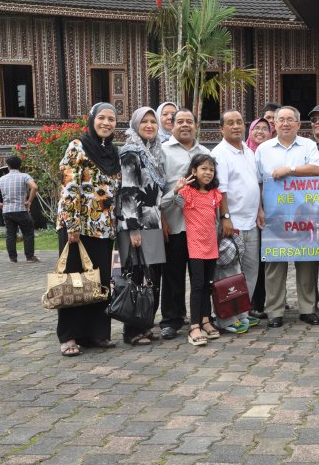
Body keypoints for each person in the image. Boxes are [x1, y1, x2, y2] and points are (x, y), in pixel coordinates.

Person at [55, 103, 121, 357]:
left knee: (99, 281)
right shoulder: (78, 146)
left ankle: (96, 333)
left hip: (104, 228)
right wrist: (72, 224)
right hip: (78, 226)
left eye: (112, 119)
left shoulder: (112, 151)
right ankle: (69, 335)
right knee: (74, 280)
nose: (106, 123)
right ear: (92, 120)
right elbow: (69, 186)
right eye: (101, 118)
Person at [256, 106, 319, 325]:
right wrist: (259, 208)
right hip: (274, 215)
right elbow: (257, 182)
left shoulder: (308, 145)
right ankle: (275, 311)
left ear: (298, 124)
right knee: (275, 264)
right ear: (274, 124)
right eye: (280, 120)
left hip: (304, 214)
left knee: (306, 261)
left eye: (290, 120)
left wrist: (290, 169)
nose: (285, 124)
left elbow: (317, 169)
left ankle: (307, 308)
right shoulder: (263, 149)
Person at [158, 109, 212, 341]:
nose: (184, 125)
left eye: (189, 121)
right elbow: (157, 187)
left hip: (199, 227)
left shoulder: (205, 152)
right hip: (174, 222)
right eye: (179, 121)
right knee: (173, 274)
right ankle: (171, 320)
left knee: (200, 277)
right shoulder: (162, 151)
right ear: (171, 125)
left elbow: (212, 189)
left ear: (196, 125)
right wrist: (161, 218)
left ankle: (200, 318)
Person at [115, 107, 166, 345]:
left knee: (151, 277)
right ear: (135, 125)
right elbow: (127, 192)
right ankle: (131, 331)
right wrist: (133, 228)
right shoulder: (130, 153)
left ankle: (145, 325)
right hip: (136, 225)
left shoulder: (154, 152)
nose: (149, 125)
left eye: (152, 121)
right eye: (144, 121)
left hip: (153, 221)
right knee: (135, 276)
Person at [211, 111, 265, 330]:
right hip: (231, 226)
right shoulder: (220, 153)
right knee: (229, 275)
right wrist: (225, 219)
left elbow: (254, 183)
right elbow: (220, 190)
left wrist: (259, 209)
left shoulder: (248, 152)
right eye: (230, 123)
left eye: (239, 122)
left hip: (251, 221)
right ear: (222, 129)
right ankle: (226, 319)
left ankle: (242, 313)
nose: (236, 126)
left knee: (250, 271)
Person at [170, 155, 223, 346]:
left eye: (211, 169)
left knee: (208, 285)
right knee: (198, 285)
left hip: (211, 245)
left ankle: (206, 320)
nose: (208, 173)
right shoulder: (187, 193)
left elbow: (217, 219)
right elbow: (167, 204)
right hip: (195, 246)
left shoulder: (214, 194)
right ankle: (194, 326)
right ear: (193, 171)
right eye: (203, 169)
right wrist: (176, 190)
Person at [246, 117, 273, 321]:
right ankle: (248, 303)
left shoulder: (272, 152)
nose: (261, 132)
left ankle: (262, 302)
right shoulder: (245, 152)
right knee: (251, 260)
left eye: (265, 128)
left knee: (266, 261)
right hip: (251, 214)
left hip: (274, 212)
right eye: (257, 128)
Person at [0, 154, 38, 263]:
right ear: (20, 165)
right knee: (28, 233)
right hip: (21, 209)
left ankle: (13, 258)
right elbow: (34, 187)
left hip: (7, 211)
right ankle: (29, 257)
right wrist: (29, 201)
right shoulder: (25, 176)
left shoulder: (2, 179)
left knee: (10, 234)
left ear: (8, 166)